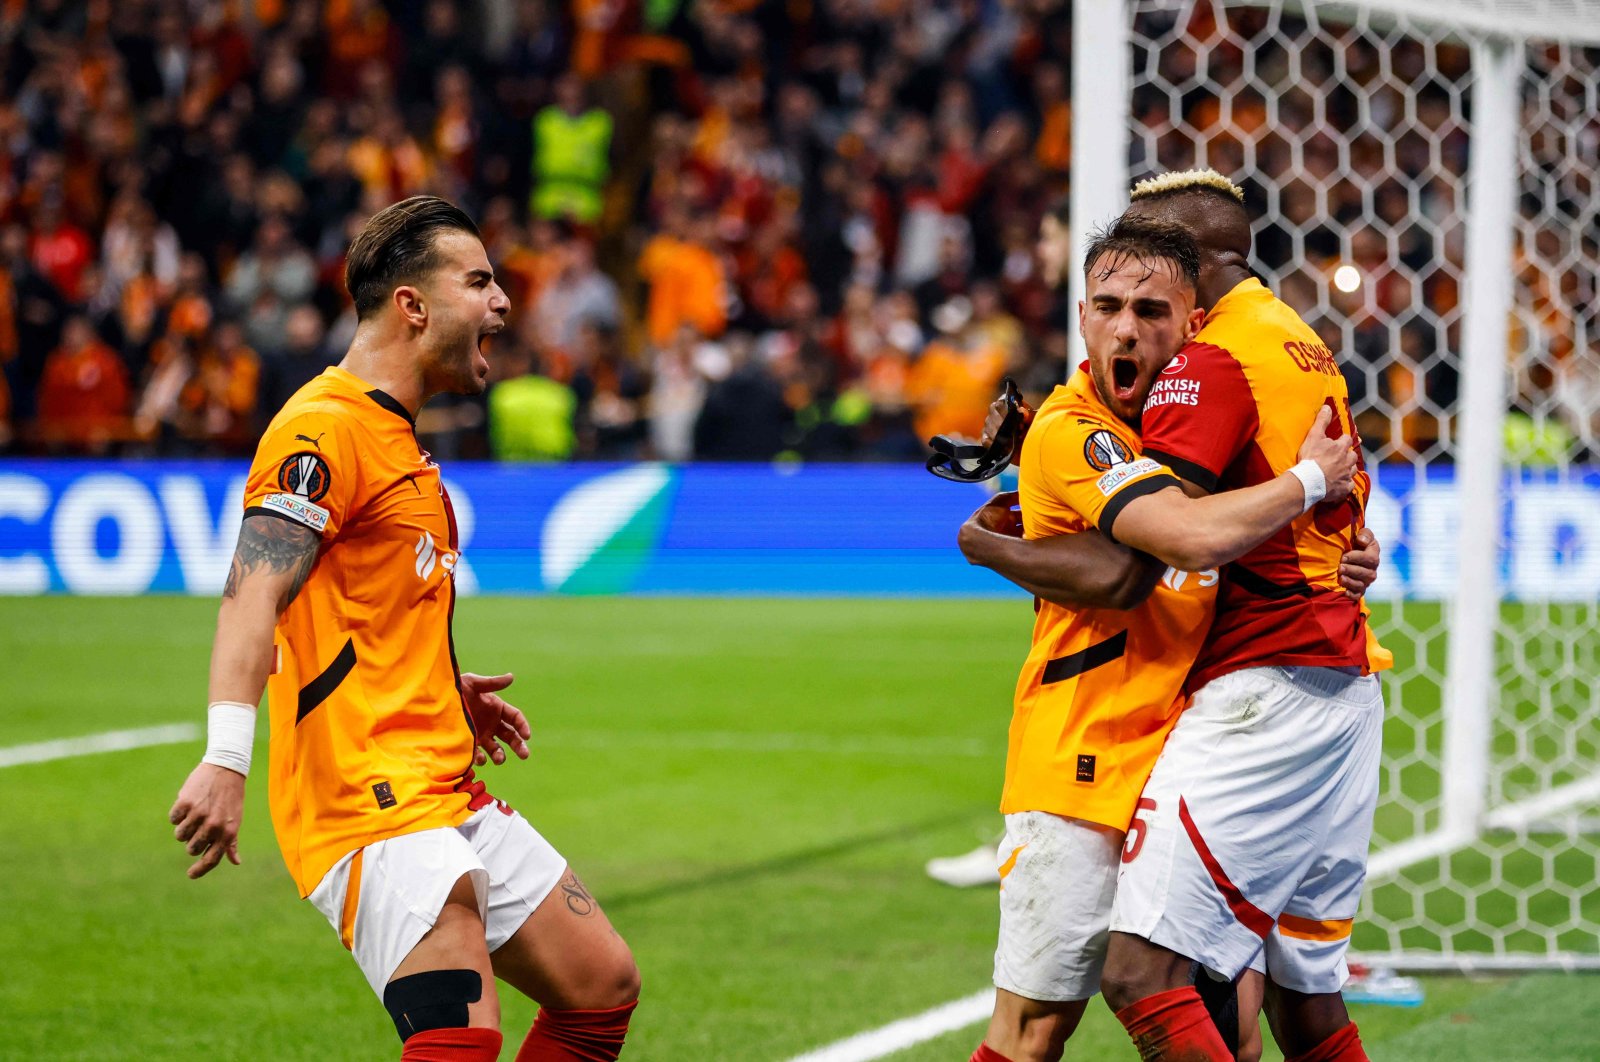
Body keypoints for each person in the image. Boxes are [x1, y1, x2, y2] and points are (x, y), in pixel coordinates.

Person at [168, 196, 640, 1062]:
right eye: (480, 282)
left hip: (437, 777)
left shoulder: (399, 441)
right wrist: (226, 757)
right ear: (412, 306)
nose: (503, 302)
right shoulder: (323, 429)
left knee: (600, 988)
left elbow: (363, 611)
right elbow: (250, 598)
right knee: (462, 1037)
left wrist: (442, 689)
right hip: (365, 798)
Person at [973, 171, 1390, 1061]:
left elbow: (1196, 533)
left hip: (1214, 721)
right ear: (1083, 316)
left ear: (1191, 299)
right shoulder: (1097, 415)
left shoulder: (1205, 373)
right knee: (1042, 1023)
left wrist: (1336, 529)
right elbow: (1136, 566)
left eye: (1153, 304)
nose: (1131, 326)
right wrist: (992, 544)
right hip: (1088, 756)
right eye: (1109, 305)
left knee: (1211, 997)